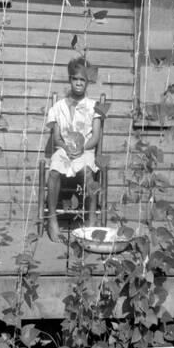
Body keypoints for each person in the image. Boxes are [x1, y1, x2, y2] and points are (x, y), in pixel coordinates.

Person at [45, 57, 102, 242]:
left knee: (88, 173)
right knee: (54, 171)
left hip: (85, 150)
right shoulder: (58, 107)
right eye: (75, 79)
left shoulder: (95, 107)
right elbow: (56, 138)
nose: (79, 83)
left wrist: (80, 148)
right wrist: (67, 147)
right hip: (64, 149)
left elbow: (95, 138)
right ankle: (52, 220)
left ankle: (91, 220)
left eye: (83, 80)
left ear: (88, 82)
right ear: (70, 80)